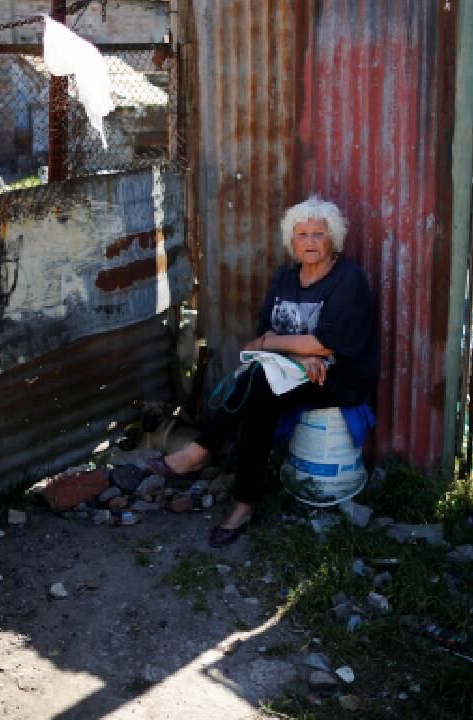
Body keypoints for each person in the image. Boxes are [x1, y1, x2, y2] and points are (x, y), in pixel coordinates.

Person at [147, 195, 380, 547]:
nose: (311, 243)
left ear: (333, 238)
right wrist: (294, 356)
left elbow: (325, 344)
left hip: (337, 378)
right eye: (303, 235)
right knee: (260, 400)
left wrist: (277, 347)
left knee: (258, 384)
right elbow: (263, 333)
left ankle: (204, 454)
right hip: (294, 371)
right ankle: (241, 502)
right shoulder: (286, 277)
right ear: (292, 240)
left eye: (319, 234)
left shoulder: (349, 279)